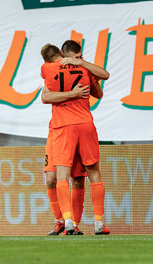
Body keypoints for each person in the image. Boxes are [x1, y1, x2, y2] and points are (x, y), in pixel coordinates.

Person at [40, 43, 110, 235]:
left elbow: (99, 92)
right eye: (76, 57)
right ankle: (62, 220)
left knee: (75, 177)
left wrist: (80, 64)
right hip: (64, 127)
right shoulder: (69, 69)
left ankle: (72, 222)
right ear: (63, 55)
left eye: (81, 57)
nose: (79, 60)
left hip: (66, 127)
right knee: (51, 178)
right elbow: (45, 97)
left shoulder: (55, 69)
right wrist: (74, 93)